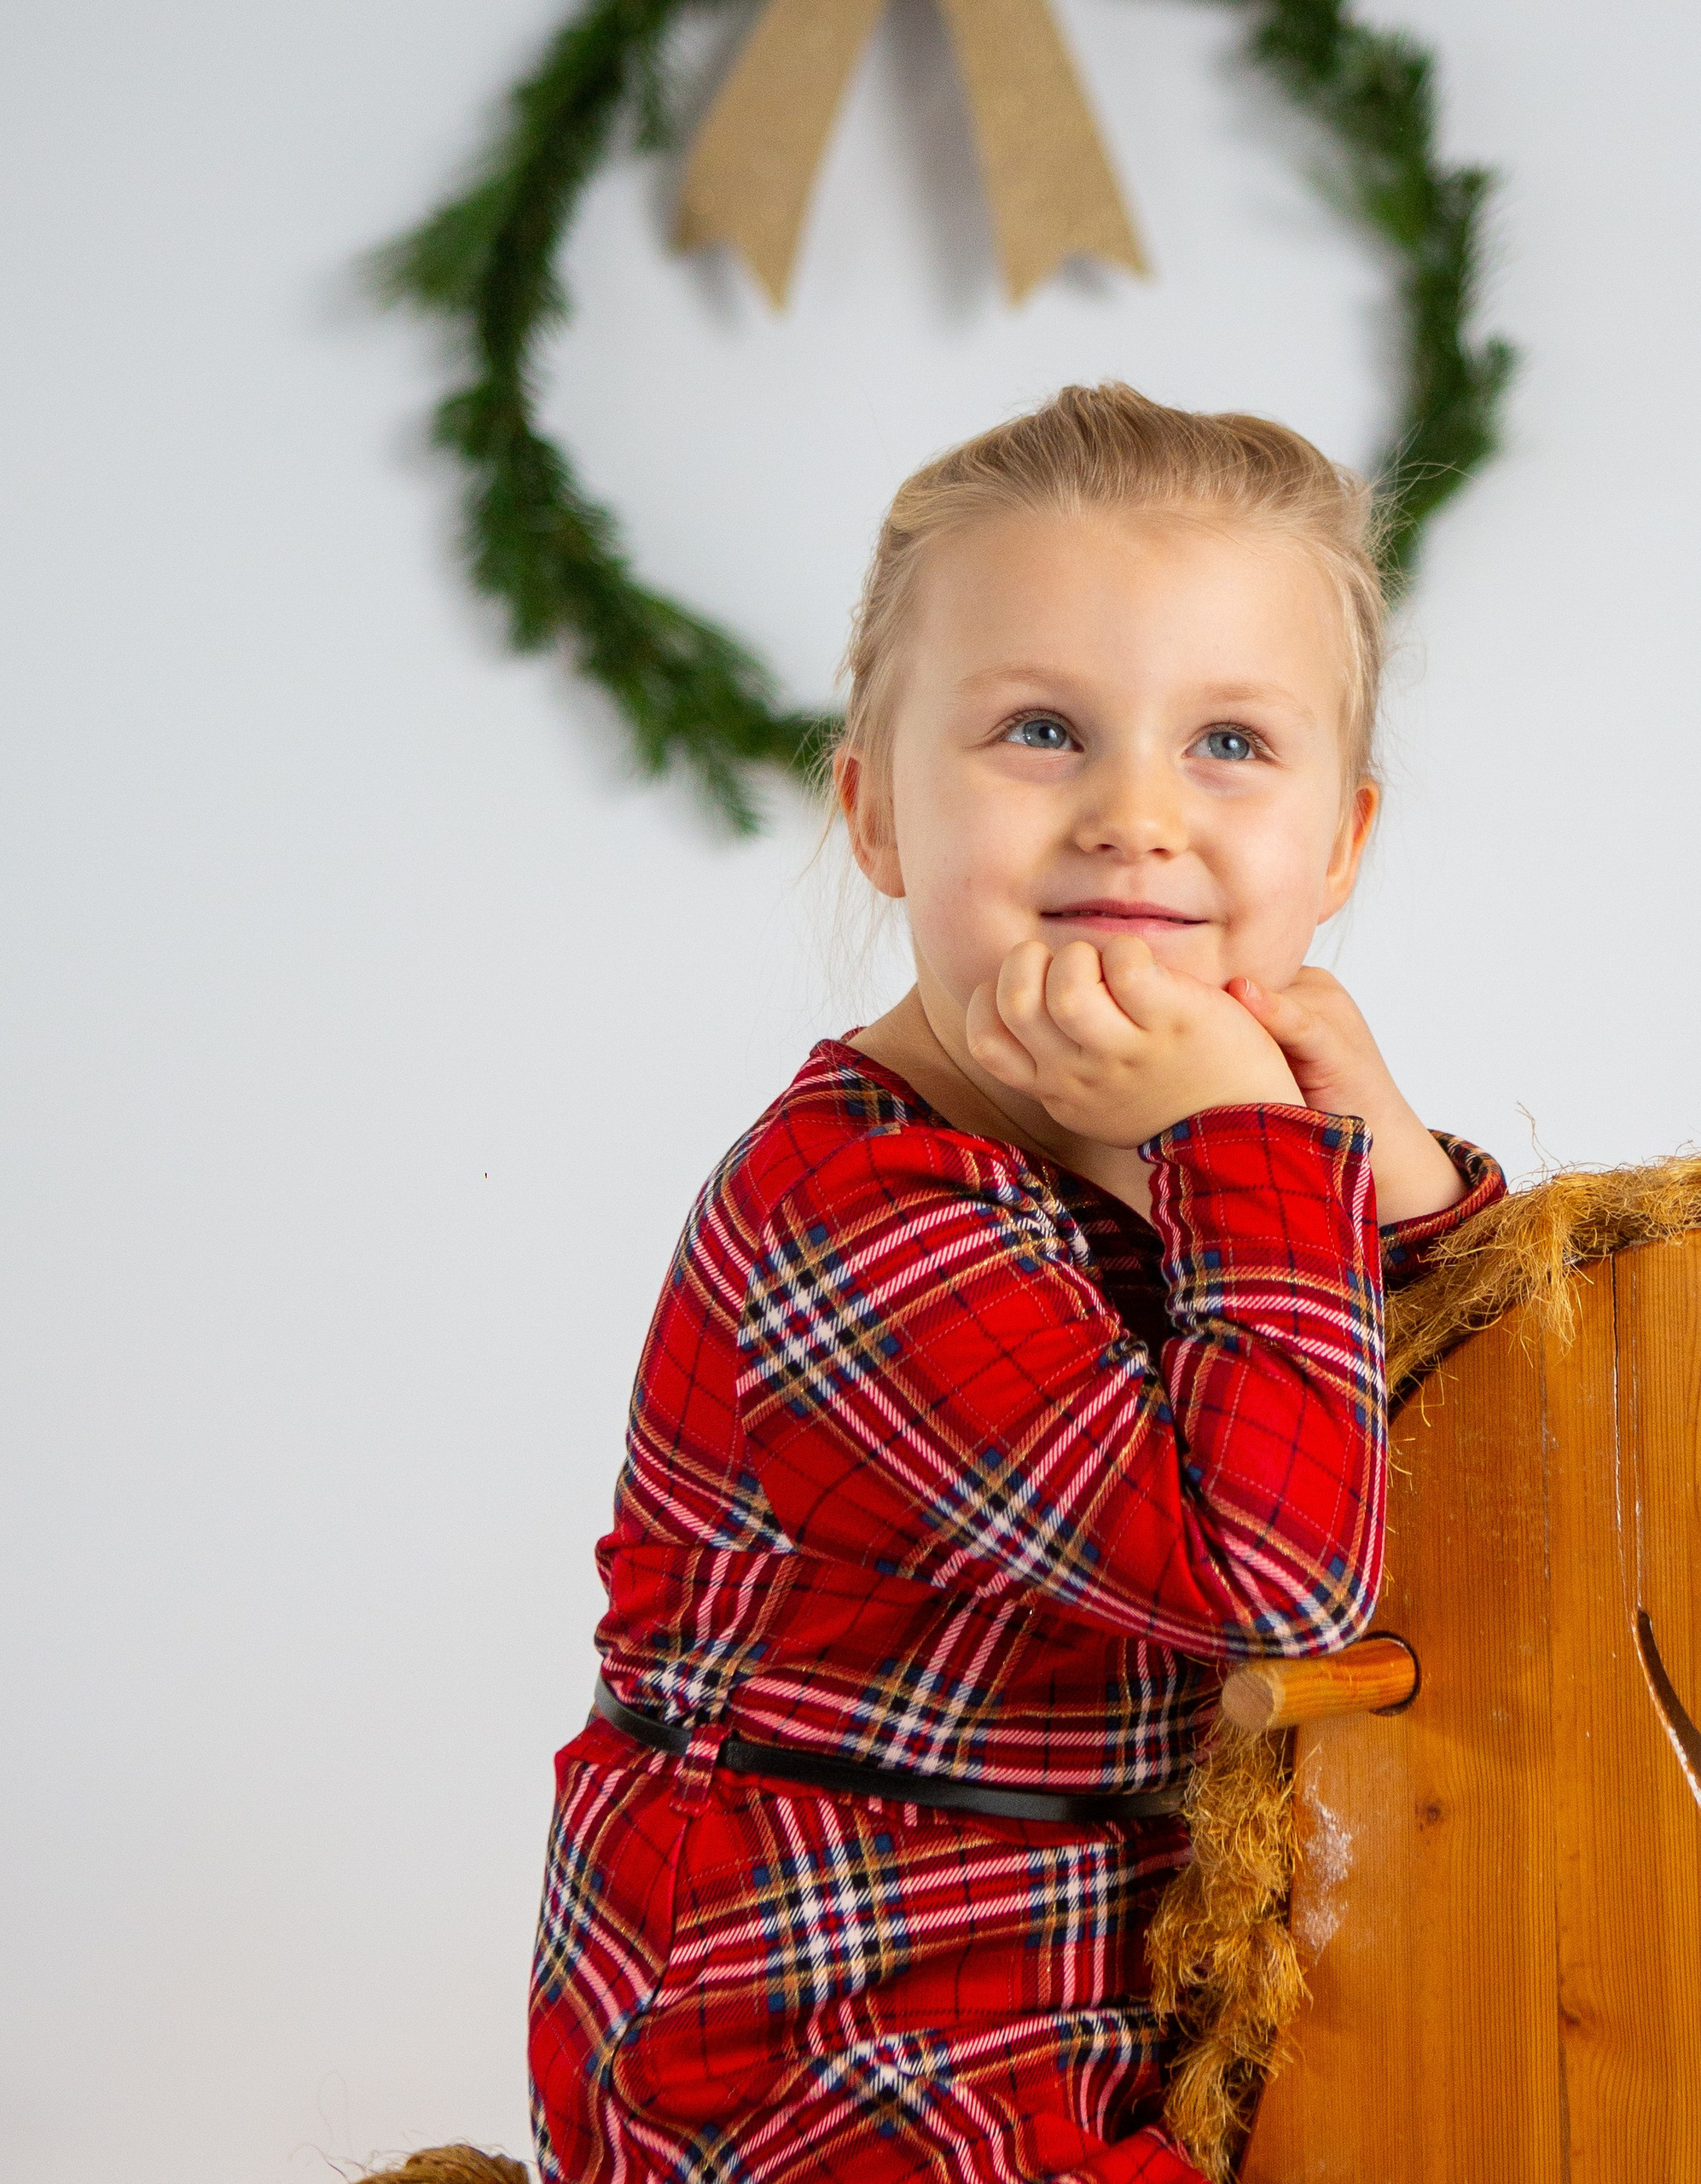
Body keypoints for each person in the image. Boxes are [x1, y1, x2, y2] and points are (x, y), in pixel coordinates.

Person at [527, 383, 1505, 2184]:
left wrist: (1407, 1182)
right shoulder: (856, 1200)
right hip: (823, 2002)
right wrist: (1257, 1157)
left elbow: (1448, 1445)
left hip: (1104, 1959)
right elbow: (1278, 1575)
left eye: (1227, 744)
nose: (1137, 816)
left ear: (1339, 840)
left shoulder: (1192, 1145)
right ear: (877, 813)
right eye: (1041, 730)